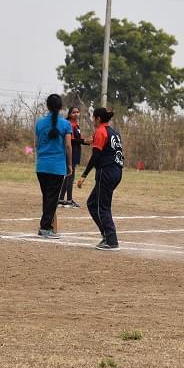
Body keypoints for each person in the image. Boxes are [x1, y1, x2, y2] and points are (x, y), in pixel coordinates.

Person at [77, 107, 124, 251]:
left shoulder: (101, 131)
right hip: (116, 172)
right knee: (92, 203)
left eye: (93, 118)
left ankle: (112, 241)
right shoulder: (113, 132)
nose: (92, 121)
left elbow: (95, 156)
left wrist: (84, 176)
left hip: (107, 172)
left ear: (98, 119)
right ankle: (106, 235)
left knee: (102, 206)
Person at [34, 94, 72, 238]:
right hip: (57, 167)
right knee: (52, 198)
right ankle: (45, 227)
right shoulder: (65, 124)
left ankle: (46, 225)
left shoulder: (39, 123)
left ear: (47, 106)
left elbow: (37, 144)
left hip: (42, 166)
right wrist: (69, 164)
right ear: (61, 107)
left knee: (47, 197)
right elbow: (68, 146)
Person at [59, 106, 90, 208]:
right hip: (70, 152)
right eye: (73, 112)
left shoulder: (76, 125)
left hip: (76, 152)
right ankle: (69, 200)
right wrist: (83, 141)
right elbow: (71, 141)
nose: (76, 114)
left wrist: (87, 141)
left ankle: (61, 199)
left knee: (68, 175)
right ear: (69, 114)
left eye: (77, 112)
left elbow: (79, 139)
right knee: (70, 176)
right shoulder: (69, 124)